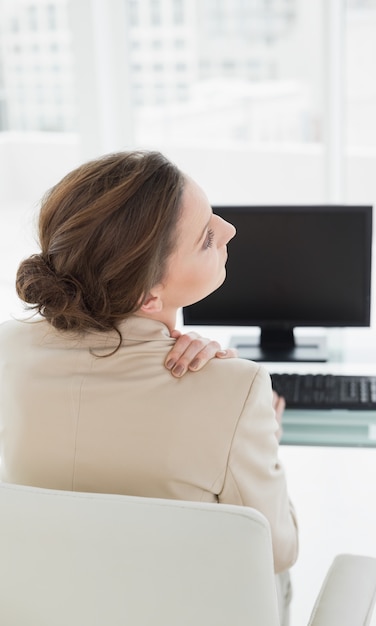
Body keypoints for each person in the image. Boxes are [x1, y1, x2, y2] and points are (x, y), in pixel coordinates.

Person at [0, 150, 298, 623]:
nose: (229, 230)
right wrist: (259, 424)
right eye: (206, 237)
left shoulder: (6, 352)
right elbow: (277, 551)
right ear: (147, 297)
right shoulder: (235, 388)